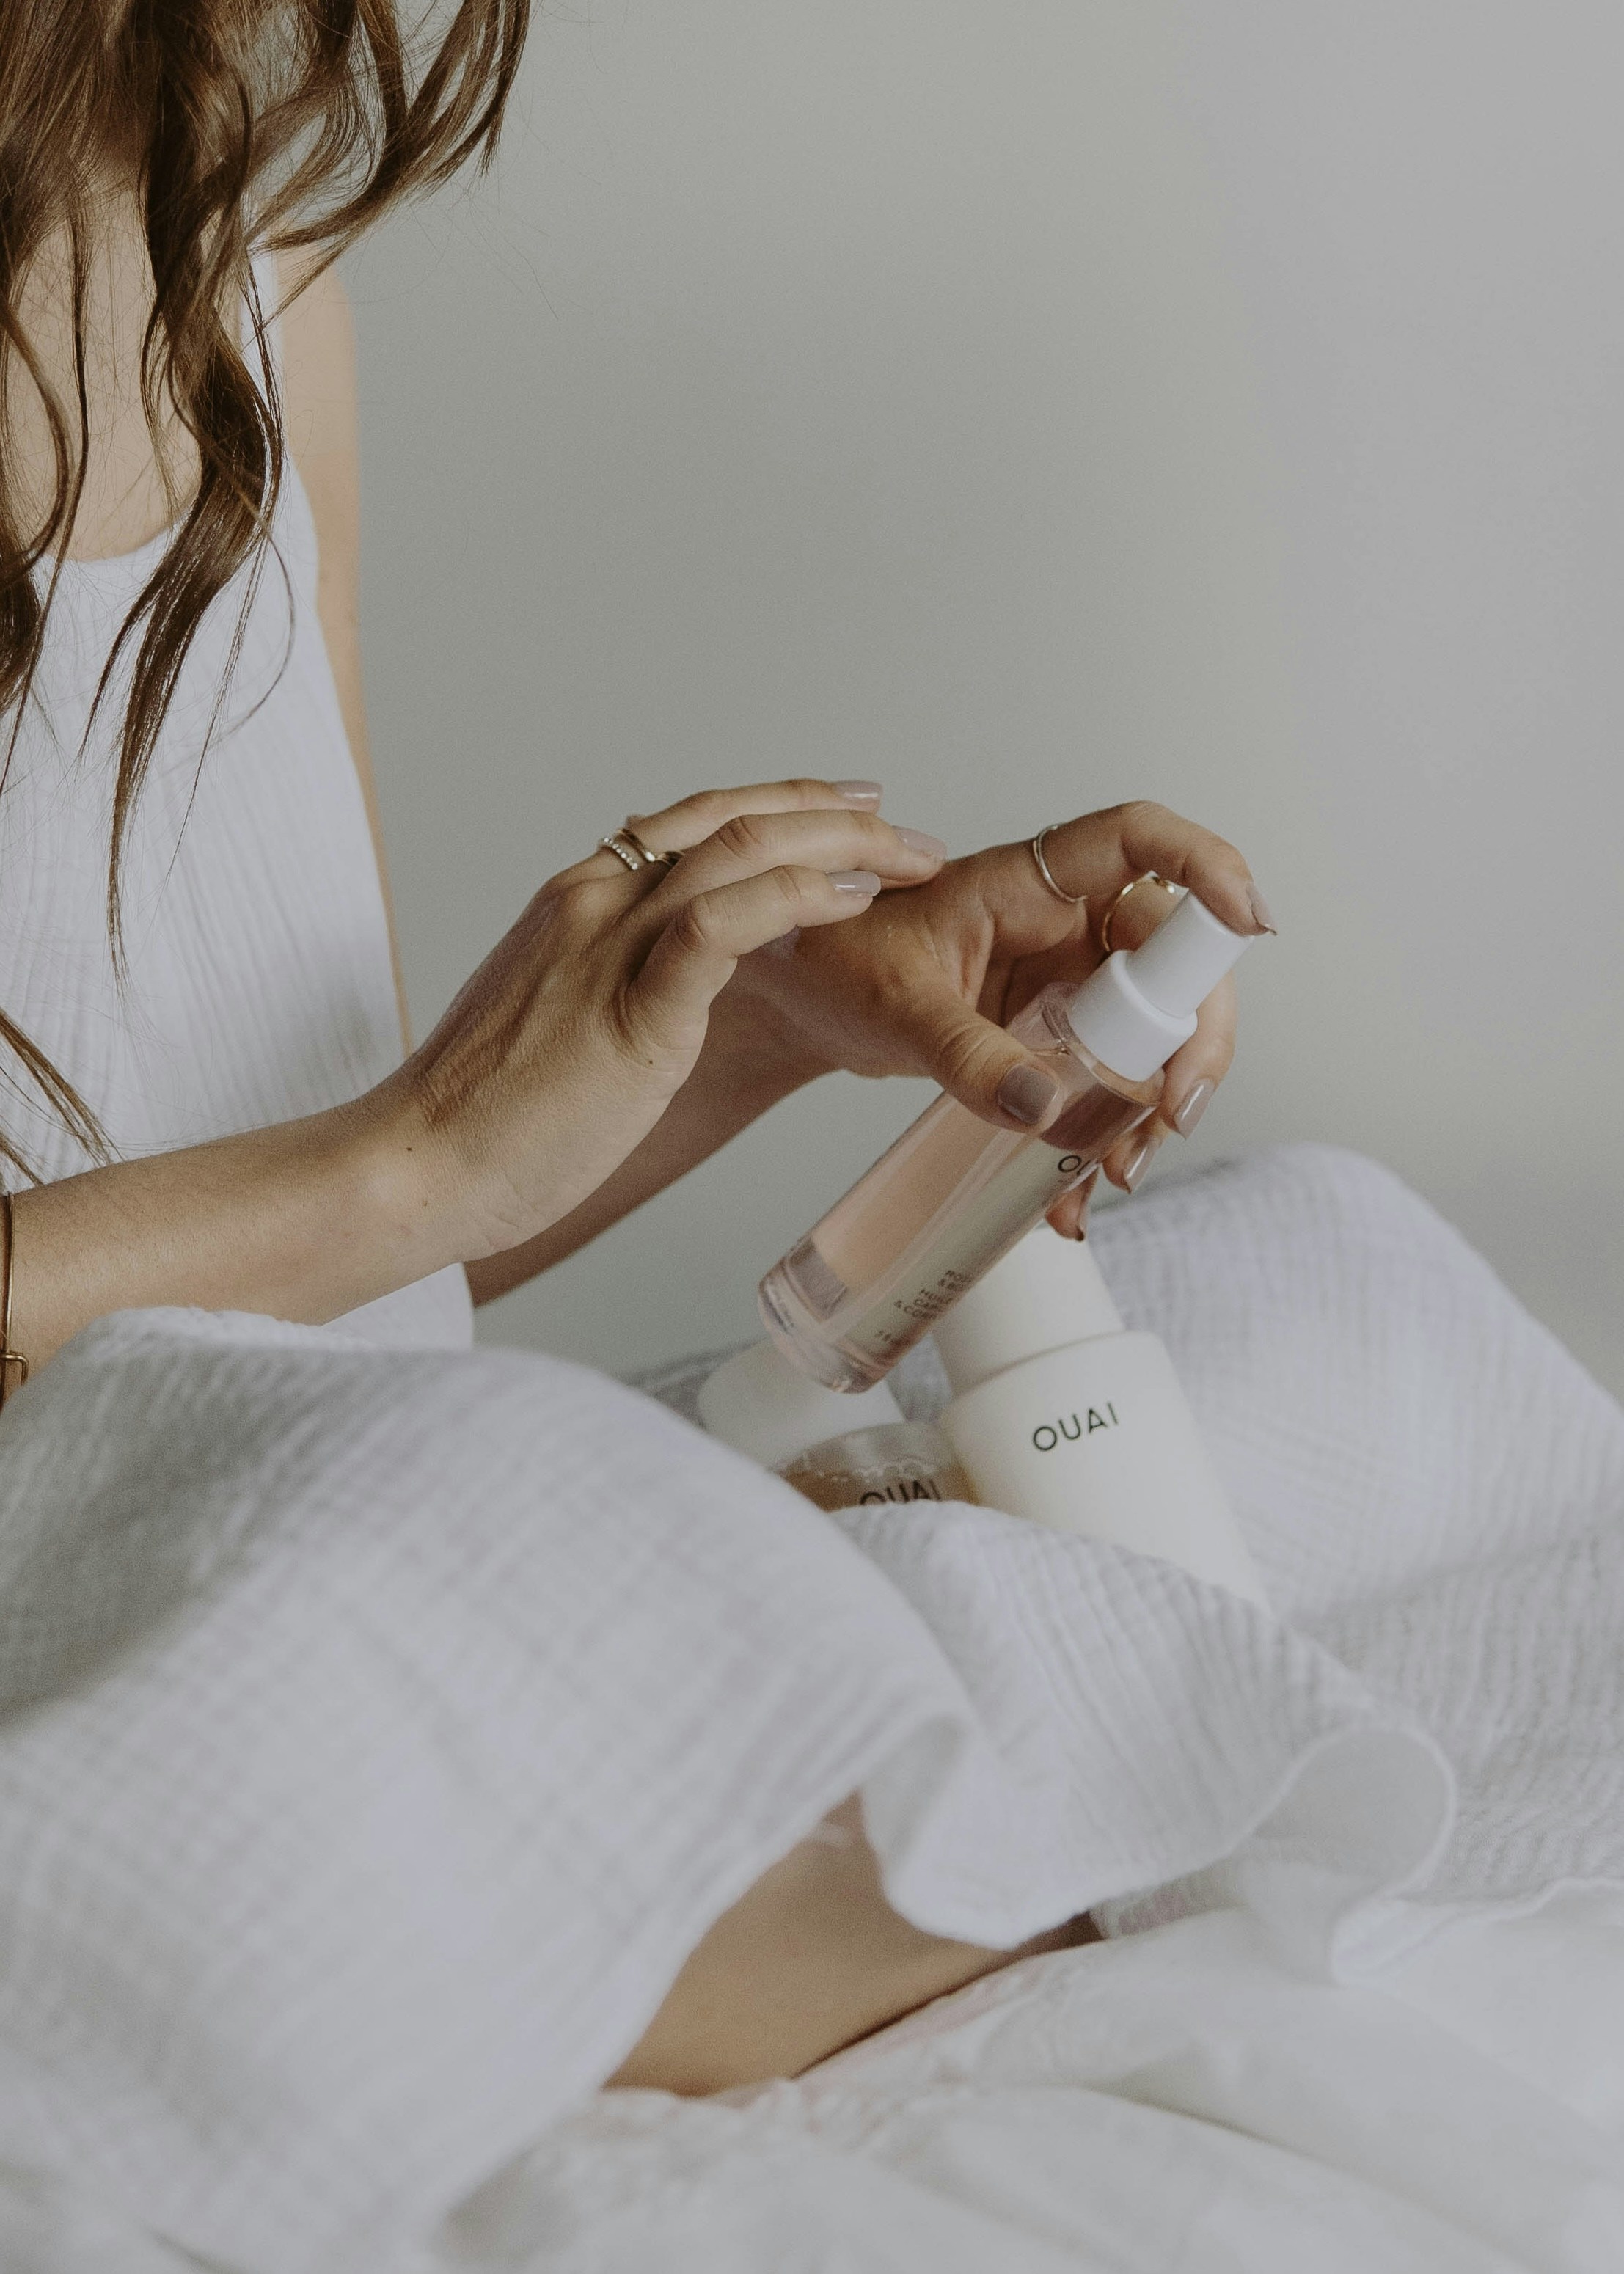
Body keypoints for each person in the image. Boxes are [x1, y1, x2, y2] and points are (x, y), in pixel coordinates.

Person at [0, 0, 1270, 2093]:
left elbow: (344, 1259)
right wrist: (419, 1151)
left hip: (361, 1520)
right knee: (1000, 1801)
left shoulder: (256, 305)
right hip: (187, 1625)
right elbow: (375, 1194)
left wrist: (749, 1022)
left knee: (1317, 1261)